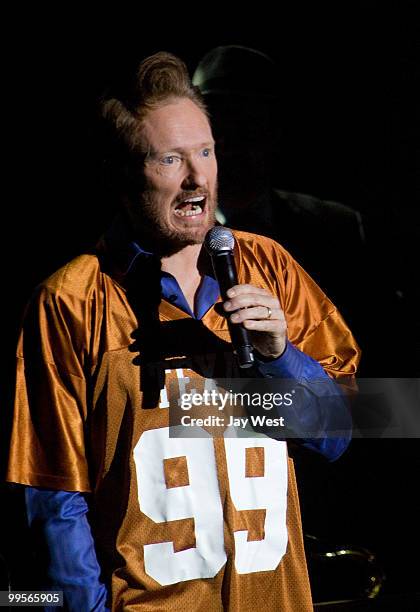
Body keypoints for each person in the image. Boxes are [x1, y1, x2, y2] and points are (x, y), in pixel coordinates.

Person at [6, 52, 359, 611]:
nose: (198, 178)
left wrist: (278, 356)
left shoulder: (271, 264)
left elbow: (338, 435)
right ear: (123, 175)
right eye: (170, 159)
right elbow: (55, 495)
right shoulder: (70, 301)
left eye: (205, 151)